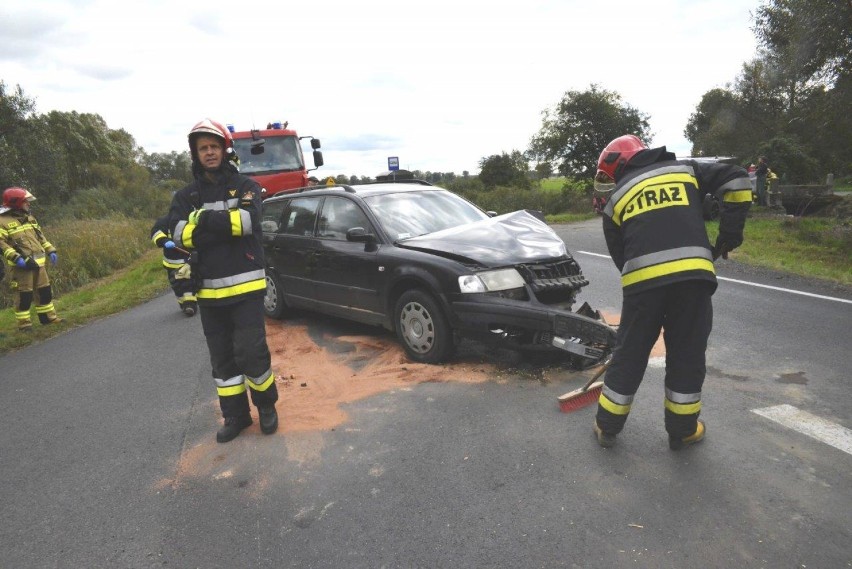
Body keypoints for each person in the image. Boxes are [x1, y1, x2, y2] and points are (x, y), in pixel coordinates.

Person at [591, 135, 752, 450]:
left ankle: (607, 426)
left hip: (643, 287)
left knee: (630, 354)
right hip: (693, 280)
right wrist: (730, 231)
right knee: (687, 354)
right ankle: (682, 430)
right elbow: (737, 176)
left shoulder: (615, 202)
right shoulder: (685, 169)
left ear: (618, 167)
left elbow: (622, 260)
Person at [168, 118, 279, 443]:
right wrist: (219, 227)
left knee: (251, 353)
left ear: (224, 150)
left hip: (246, 289)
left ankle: (267, 408)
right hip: (208, 292)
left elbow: (246, 222)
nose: (209, 152)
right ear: (195, 153)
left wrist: (201, 219)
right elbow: (178, 235)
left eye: (214, 146)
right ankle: (236, 416)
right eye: (203, 148)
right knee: (222, 359)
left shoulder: (246, 185)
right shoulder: (185, 195)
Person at [0, 187, 63, 331]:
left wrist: (50, 250)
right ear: (16, 203)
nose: (28, 204)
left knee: (44, 292)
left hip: (39, 264)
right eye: (25, 201)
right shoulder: (2, 221)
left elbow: (40, 237)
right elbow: (1, 244)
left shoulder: (30, 218)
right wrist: (17, 259)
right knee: (24, 295)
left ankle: (48, 318)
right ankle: (25, 325)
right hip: (21, 266)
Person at [150, 215, 198, 316]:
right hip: (172, 263)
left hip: (188, 261)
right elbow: (155, 233)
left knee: (189, 284)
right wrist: (164, 241)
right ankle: (183, 303)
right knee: (177, 286)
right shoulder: (166, 220)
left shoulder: (191, 219)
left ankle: (190, 304)